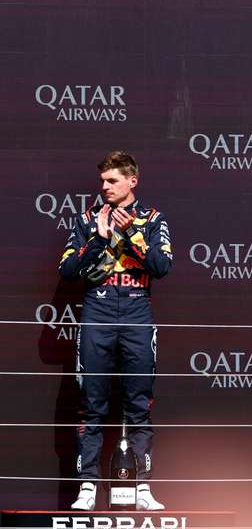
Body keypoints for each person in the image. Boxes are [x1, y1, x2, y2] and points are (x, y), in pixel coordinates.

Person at [59, 151, 173, 510]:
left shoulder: (153, 219)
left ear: (131, 181)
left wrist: (128, 237)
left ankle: (142, 488)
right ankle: (87, 487)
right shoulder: (87, 220)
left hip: (137, 313)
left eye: (112, 181)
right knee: (92, 403)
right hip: (98, 311)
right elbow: (67, 270)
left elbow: (161, 265)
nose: (104, 187)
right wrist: (99, 238)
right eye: (103, 181)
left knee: (139, 404)